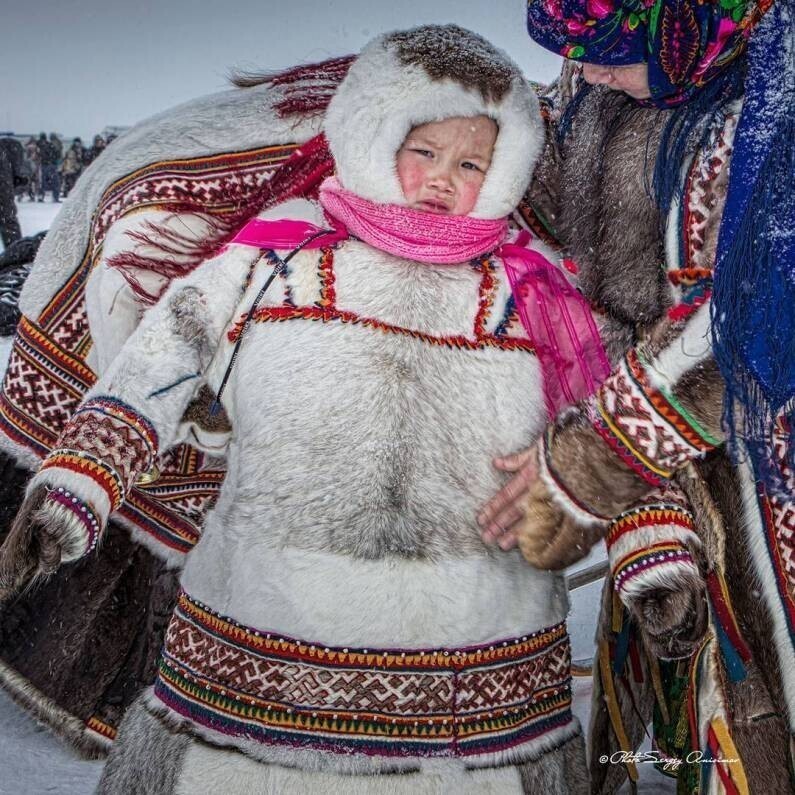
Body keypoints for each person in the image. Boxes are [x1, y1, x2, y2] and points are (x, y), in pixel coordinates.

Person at [1, 25, 602, 793]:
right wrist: (77, 484)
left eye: (471, 163)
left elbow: (605, 426)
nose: (443, 179)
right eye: (423, 151)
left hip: (475, 681)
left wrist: (653, 548)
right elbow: (158, 360)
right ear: (375, 132)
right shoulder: (277, 254)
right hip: (262, 648)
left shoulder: (537, 289)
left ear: (505, 167)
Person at [479, 1, 794, 792]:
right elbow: (550, 189)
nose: (581, 70)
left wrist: (590, 464)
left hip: (755, 443)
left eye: (601, 51)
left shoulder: (768, 115)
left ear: (680, 25)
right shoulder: (608, 83)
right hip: (640, 409)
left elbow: (748, 323)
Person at [0, 137, 24, 248]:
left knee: (8, 221)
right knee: (8, 221)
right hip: (4, 189)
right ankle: (15, 255)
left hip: (4, 187)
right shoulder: (7, 150)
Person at [37, 132, 60, 202]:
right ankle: (55, 197)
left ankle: (41, 196)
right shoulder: (50, 145)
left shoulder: (37, 145)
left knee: (42, 182)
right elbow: (57, 154)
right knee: (55, 182)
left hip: (42, 165)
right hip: (51, 165)